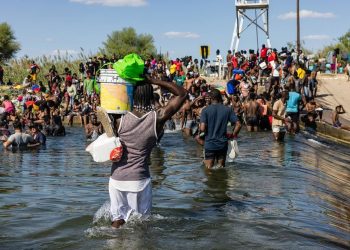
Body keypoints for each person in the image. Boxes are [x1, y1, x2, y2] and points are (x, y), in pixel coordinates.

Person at [103, 75, 186, 228]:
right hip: (139, 179)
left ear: (131, 94)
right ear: (150, 95)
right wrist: (155, 81)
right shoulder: (157, 118)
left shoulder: (118, 118)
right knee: (140, 224)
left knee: (117, 220)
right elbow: (182, 93)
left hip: (116, 179)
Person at [196, 89, 241, 169]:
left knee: (208, 169)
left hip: (209, 144)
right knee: (221, 167)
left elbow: (202, 128)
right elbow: (238, 124)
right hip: (222, 144)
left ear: (211, 98)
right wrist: (233, 135)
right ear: (220, 97)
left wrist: (201, 135)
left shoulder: (205, 110)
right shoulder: (228, 109)